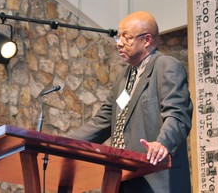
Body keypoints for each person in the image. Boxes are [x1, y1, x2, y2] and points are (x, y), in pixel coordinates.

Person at [69, 11, 193, 193]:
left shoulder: (166, 66)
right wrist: (62, 143)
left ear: (147, 40)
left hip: (156, 179)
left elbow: (177, 115)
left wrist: (163, 143)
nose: (119, 43)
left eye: (126, 38)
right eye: (118, 37)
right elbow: (102, 121)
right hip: (122, 180)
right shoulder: (123, 77)